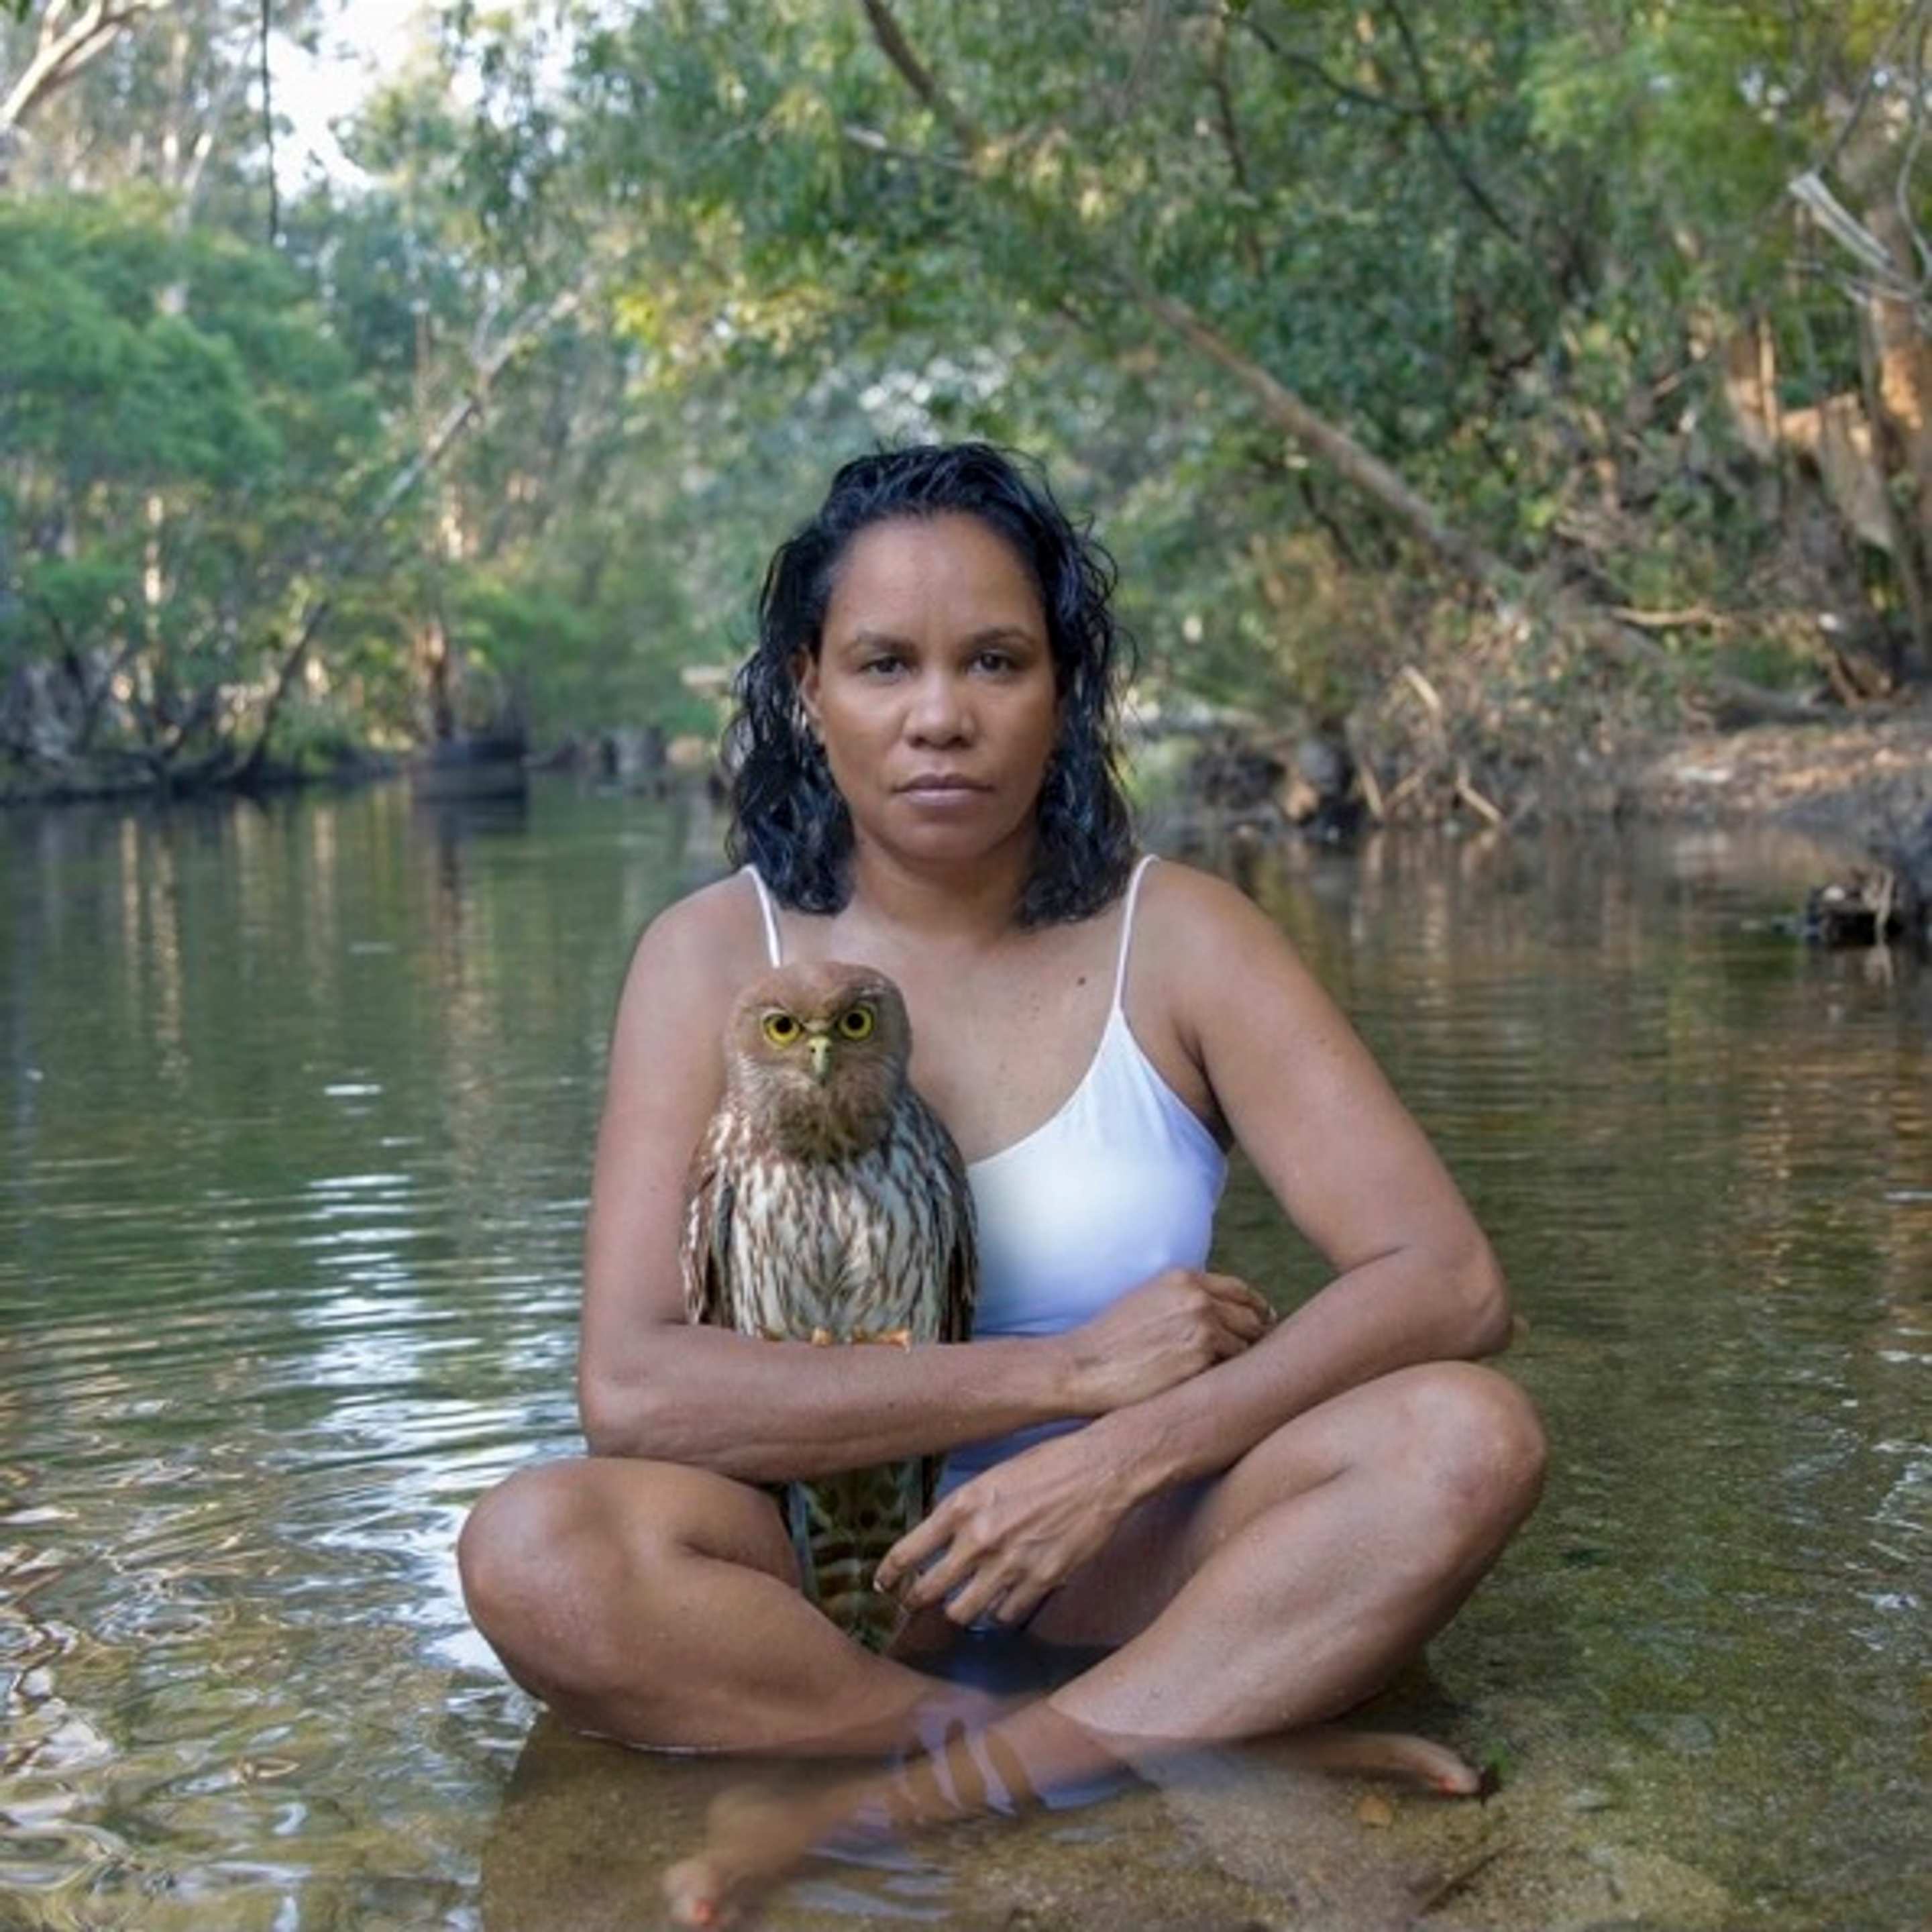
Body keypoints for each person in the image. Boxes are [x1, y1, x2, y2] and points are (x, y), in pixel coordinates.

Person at [456, 442, 1546, 1925]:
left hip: (1132, 1557)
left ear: (1065, 686)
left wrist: (1128, 1456)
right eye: (885, 664)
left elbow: (1451, 1280)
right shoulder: (715, 956)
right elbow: (636, 1393)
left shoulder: (1188, 938)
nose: (940, 719)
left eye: (996, 661)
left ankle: (910, 1795)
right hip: (817, 1580)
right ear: (804, 688)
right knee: (537, 1549)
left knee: (1462, 1439)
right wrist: (1071, 1377)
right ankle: (1129, 1742)